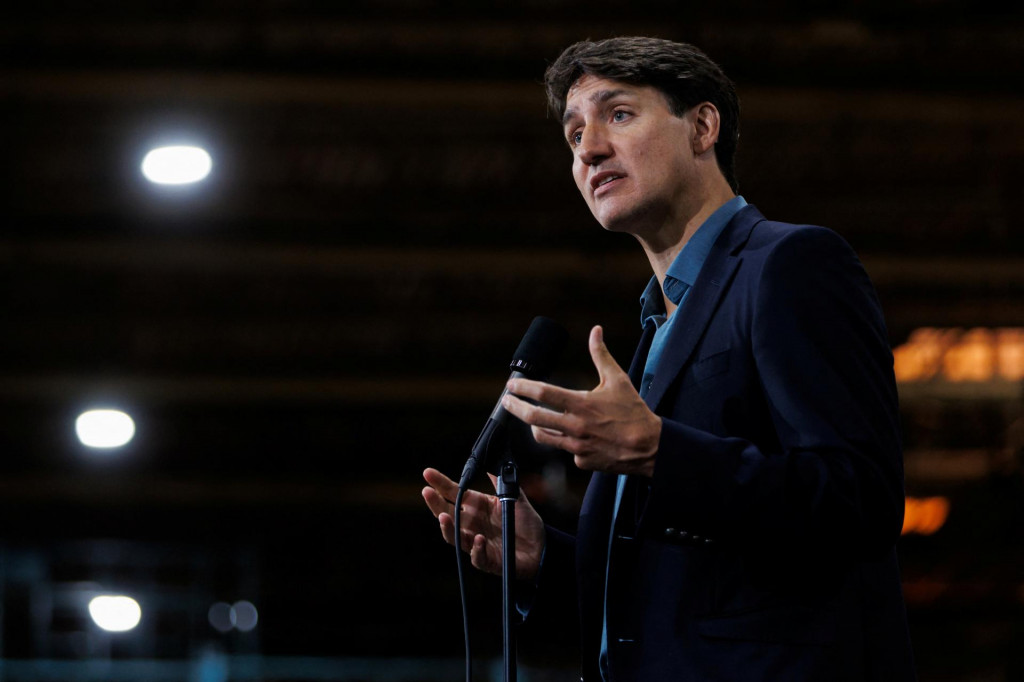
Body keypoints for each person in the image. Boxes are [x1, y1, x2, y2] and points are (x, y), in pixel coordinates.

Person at [422, 36, 916, 681]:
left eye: (618, 114)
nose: (589, 148)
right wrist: (549, 558)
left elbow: (862, 502)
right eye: (573, 136)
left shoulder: (790, 264)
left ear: (702, 127)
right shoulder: (655, 330)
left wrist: (659, 451)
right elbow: (670, 601)